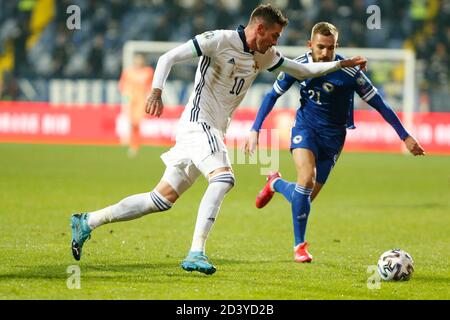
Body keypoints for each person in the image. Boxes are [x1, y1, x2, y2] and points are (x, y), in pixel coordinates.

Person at [70, 6, 367, 275]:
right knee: (224, 178)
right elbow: (167, 57)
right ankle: (196, 252)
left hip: (209, 130)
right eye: (274, 35)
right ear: (259, 29)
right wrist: (156, 91)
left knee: (160, 200)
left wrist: (339, 65)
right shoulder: (218, 40)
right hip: (199, 123)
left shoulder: (264, 55)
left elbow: (302, 70)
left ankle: (88, 221)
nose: (276, 41)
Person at [245, 22, 425, 263]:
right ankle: (300, 246)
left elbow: (379, 104)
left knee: (304, 197)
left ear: (336, 46)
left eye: (330, 48)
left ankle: (275, 183)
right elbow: (271, 95)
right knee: (306, 179)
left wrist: (405, 136)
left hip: (334, 139)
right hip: (305, 129)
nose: (325, 53)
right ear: (310, 45)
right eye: (320, 47)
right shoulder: (298, 66)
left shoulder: (350, 72)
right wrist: (256, 128)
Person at [118, 53, 154, 157]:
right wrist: (126, 98)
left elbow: (151, 87)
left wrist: (149, 99)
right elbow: (122, 86)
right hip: (130, 101)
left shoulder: (148, 72)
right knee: (130, 122)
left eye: (140, 59)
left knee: (136, 123)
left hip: (141, 101)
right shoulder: (128, 72)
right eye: (136, 59)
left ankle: (134, 145)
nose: (138, 62)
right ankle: (130, 141)